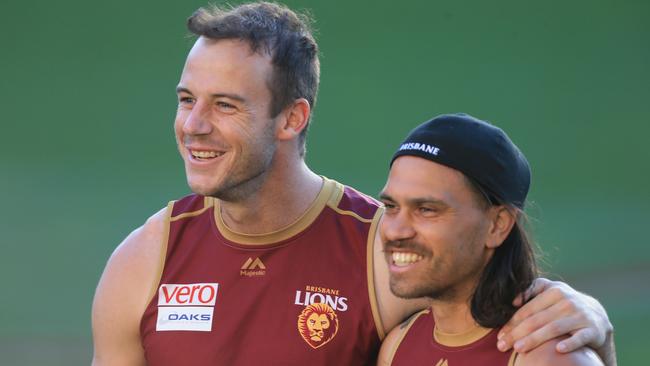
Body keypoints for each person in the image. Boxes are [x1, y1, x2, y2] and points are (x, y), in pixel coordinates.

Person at [91, 2, 614, 365]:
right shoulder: (146, 258)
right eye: (187, 100)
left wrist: (591, 319)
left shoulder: (382, 251)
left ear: (292, 118)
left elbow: (497, 326)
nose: (193, 125)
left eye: (225, 105)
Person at [377, 114, 610, 365]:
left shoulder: (546, 357)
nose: (395, 231)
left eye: (427, 209)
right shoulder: (398, 347)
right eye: (391, 206)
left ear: (498, 225)